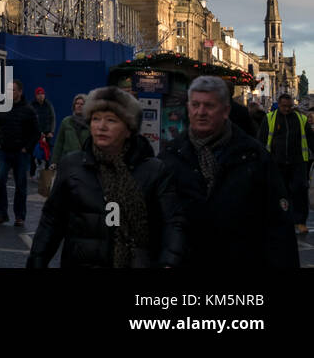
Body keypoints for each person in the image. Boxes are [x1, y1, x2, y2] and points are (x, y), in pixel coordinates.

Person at [27, 87, 184, 268]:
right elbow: (52, 221)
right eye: (95, 119)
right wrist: (37, 261)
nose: (101, 126)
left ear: (128, 129)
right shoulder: (72, 165)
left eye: (111, 120)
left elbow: (172, 223)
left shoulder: (153, 171)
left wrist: (168, 262)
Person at [159, 76, 298, 268]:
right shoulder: (169, 156)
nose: (201, 112)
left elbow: (278, 226)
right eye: (195, 104)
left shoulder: (254, 157)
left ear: (226, 111)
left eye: (209, 106)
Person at [257, 93, 314, 233]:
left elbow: (311, 139)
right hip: (276, 162)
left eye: (289, 106)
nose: (287, 109)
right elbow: (261, 140)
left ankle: (300, 221)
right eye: (284, 106)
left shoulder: (301, 119)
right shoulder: (270, 118)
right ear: (279, 105)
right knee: (277, 193)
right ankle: (279, 219)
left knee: (300, 190)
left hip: (298, 161)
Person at [0, 81, 39, 226]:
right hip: (3, 151)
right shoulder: (0, 107)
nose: (9, 93)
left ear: (20, 92)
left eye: (12, 90)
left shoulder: (28, 110)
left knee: (21, 185)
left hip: (21, 153)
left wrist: (27, 148)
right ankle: (1, 214)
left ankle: (20, 216)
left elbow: (36, 132)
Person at [51, 94, 90, 166]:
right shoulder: (66, 121)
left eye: (82, 104)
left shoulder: (90, 123)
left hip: (84, 161)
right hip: (68, 160)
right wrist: (54, 161)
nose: (79, 105)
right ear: (74, 106)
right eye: (77, 103)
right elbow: (59, 143)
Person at [30, 87, 56, 176]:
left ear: (44, 95)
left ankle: (46, 175)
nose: (40, 96)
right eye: (38, 94)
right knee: (33, 155)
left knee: (46, 156)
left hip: (47, 134)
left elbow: (53, 119)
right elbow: (29, 120)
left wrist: (51, 132)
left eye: (42, 94)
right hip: (35, 135)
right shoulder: (32, 105)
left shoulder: (48, 105)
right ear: (36, 96)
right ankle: (32, 174)